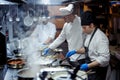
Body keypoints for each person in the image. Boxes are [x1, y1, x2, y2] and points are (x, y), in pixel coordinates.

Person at [66, 11, 110, 80]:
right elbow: (87, 49)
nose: (83, 30)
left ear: (92, 25)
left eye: (84, 28)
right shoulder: (89, 34)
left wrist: (88, 65)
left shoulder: (100, 38)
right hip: (91, 69)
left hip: (98, 71)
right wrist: (75, 51)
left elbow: (105, 58)